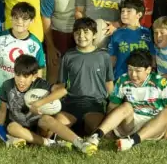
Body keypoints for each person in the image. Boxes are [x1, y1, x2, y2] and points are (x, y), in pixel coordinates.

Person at [35, 17, 115, 145]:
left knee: (105, 135)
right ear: (73, 35)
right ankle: (70, 136)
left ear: (94, 35)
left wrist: (112, 106)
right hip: (70, 106)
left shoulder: (103, 56)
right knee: (47, 131)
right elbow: (61, 85)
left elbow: (109, 83)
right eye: (77, 32)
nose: (81, 36)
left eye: (86, 32)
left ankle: (80, 132)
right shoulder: (68, 56)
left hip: (94, 105)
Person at [79, 50, 167, 155]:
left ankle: (132, 141)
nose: (133, 74)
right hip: (130, 124)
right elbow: (112, 105)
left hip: (153, 126)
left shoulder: (160, 82)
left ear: (148, 70)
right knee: (126, 105)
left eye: (138, 71)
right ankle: (96, 136)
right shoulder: (123, 80)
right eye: (130, 69)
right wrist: (109, 131)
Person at [0, 3, 46, 110]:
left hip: (21, 95)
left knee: (17, 121)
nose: (19, 22)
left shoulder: (35, 44)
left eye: (25, 19)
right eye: (16, 18)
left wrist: (35, 91)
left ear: (32, 21)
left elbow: (39, 69)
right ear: (10, 18)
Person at [40, 0, 84, 83]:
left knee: (79, 75)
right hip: (57, 33)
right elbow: (45, 16)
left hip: (82, 35)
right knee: (54, 75)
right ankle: (52, 103)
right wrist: (51, 47)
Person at [107, 0, 154, 78]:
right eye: (122, 11)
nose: (124, 14)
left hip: (143, 80)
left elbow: (153, 58)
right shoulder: (116, 34)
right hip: (121, 78)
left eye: (129, 11)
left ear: (139, 15)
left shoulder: (148, 33)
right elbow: (112, 59)